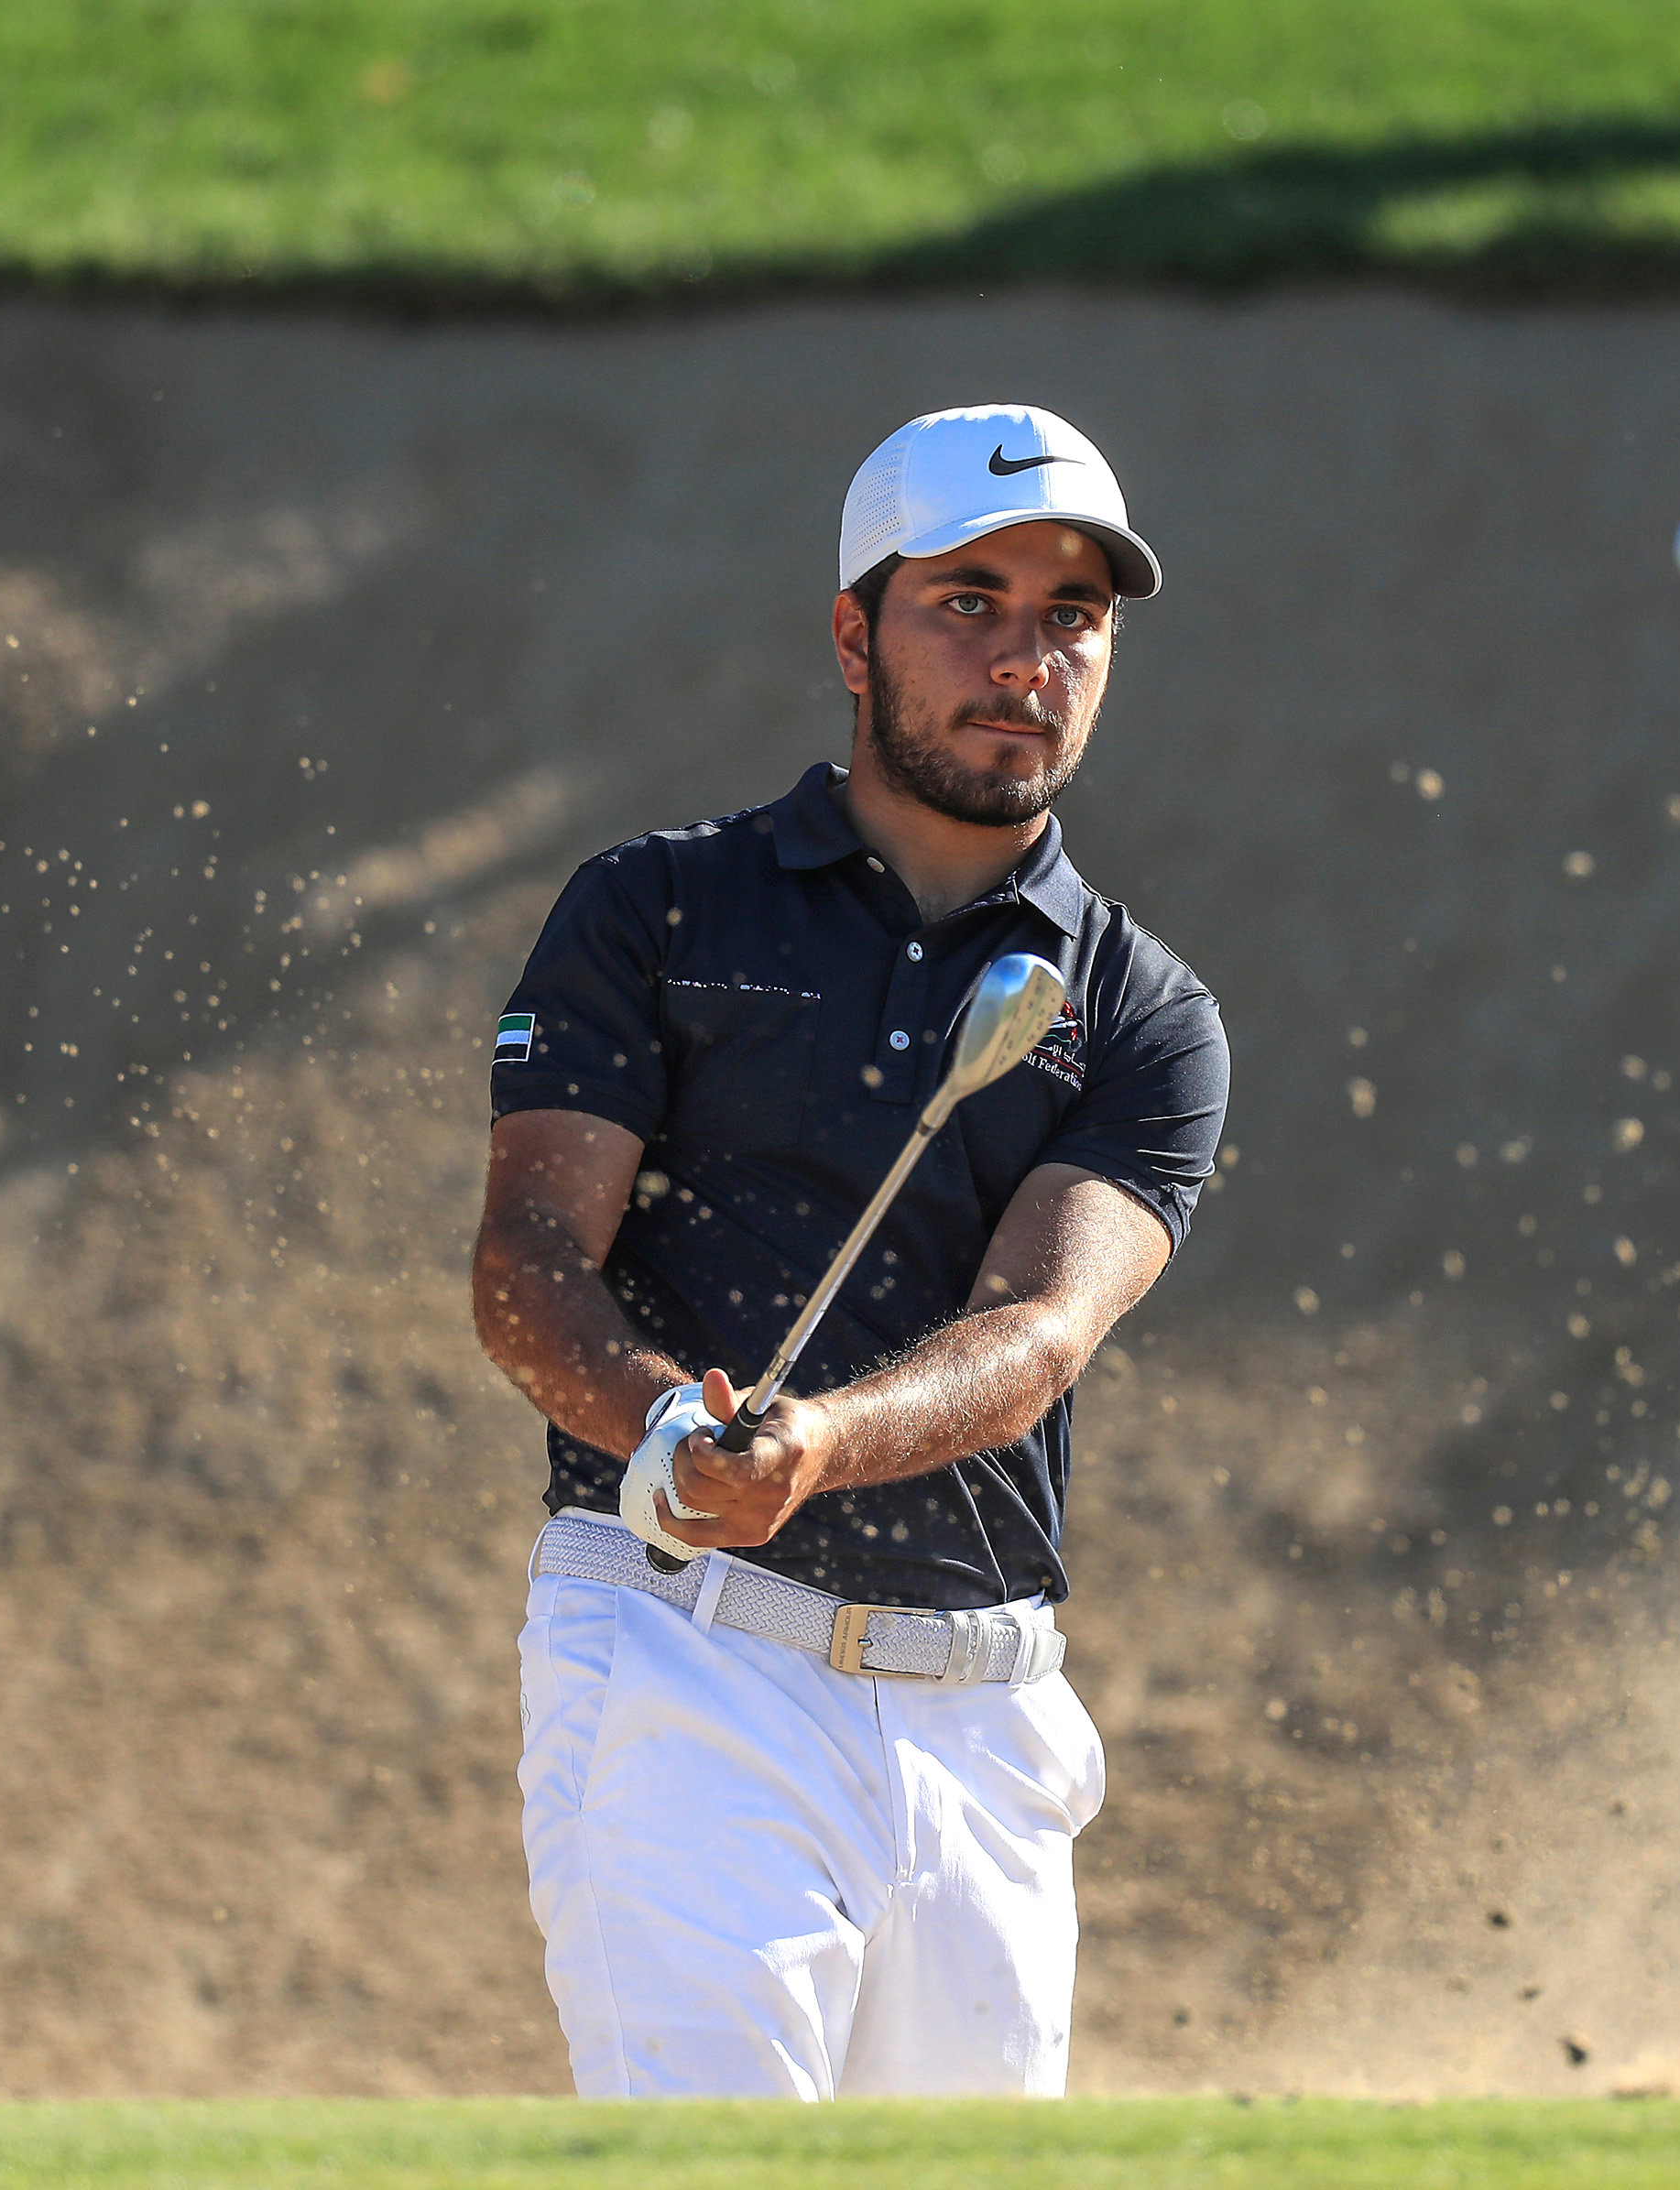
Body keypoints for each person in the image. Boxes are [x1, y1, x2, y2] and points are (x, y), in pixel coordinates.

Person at [471, 403, 1229, 2100]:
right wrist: (673, 1428)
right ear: (851, 632)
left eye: (1072, 617)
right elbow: (527, 1260)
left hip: (987, 1718)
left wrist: (816, 1446)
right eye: (969, 599)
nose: (1025, 656)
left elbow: (1040, 1327)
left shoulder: (1142, 1012)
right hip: (690, 1653)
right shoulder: (656, 911)